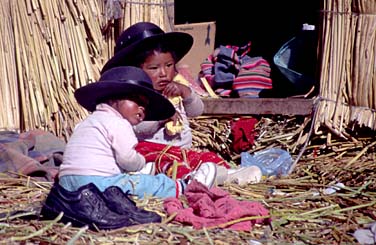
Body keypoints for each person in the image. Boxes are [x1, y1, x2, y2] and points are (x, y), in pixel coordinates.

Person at [101, 22, 262, 186]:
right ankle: (198, 180)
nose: (163, 73)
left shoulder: (176, 89)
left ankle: (228, 174)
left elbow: (197, 111)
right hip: (153, 152)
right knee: (174, 166)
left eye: (169, 65)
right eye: (154, 68)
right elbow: (137, 128)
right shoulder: (137, 99)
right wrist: (163, 116)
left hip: (183, 152)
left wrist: (186, 92)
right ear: (136, 70)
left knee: (205, 158)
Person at [58, 66, 217, 200]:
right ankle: (184, 186)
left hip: (65, 184)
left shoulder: (87, 122)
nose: (142, 108)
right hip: (97, 183)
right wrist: (140, 163)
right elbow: (127, 158)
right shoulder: (118, 123)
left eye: (144, 105)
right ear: (113, 99)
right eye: (137, 101)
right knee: (143, 184)